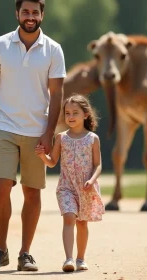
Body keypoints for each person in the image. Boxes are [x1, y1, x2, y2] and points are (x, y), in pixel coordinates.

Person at [0, 0, 66, 272]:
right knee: (1, 187)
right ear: (17, 14)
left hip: (37, 131)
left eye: (35, 13)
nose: (30, 17)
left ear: (42, 15)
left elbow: (57, 93)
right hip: (4, 126)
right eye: (25, 12)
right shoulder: (0, 45)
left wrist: (49, 132)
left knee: (32, 192)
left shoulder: (53, 49)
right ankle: (0, 249)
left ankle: (25, 252)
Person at [35, 93, 104, 272]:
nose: (70, 117)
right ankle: (69, 259)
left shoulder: (92, 139)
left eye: (75, 113)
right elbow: (52, 162)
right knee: (69, 217)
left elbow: (98, 165)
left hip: (86, 188)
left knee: (82, 223)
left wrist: (92, 179)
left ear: (85, 115)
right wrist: (43, 155)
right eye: (67, 113)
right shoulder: (61, 137)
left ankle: (81, 259)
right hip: (66, 187)